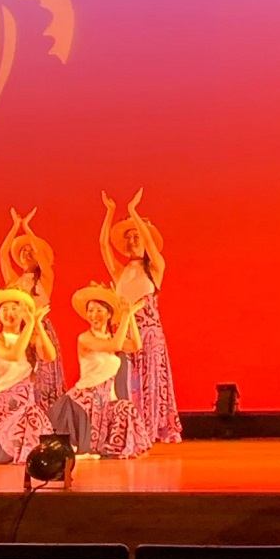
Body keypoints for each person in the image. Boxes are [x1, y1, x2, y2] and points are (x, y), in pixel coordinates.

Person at [99, 188, 182, 443]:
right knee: (125, 382)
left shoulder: (155, 268)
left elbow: (149, 242)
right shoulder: (120, 271)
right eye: (129, 237)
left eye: (137, 236)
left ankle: (149, 428)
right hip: (124, 334)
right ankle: (129, 429)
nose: (133, 240)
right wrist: (110, 213)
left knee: (149, 382)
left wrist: (133, 213)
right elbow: (103, 245)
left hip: (148, 334)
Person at [49, 284, 151, 458]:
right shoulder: (85, 338)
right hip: (85, 400)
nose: (93, 315)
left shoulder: (112, 337)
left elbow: (135, 345)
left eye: (99, 310)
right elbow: (115, 346)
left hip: (106, 400)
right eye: (90, 310)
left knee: (126, 408)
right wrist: (125, 316)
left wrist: (131, 315)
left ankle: (114, 446)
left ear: (109, 314)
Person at [0, 287, 55, 464]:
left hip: (25, 403)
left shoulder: (31, 338)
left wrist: (38, 324)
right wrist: (29, 326)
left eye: (15, 308)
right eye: (5, 309)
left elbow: (50, 356)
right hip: (0, 405)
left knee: (33, 415)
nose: (10, 313)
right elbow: (14, 354)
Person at [0, 208, 65, 410]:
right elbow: (2, 254)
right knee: (23, 374)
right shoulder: (14, 281)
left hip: (39, 329)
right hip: (19, 332)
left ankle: (46, 414)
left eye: (31, 250)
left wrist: (28, 229)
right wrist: (15, 227)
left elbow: (42, 258)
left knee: (44, 373)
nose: (27, 253)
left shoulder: (45, 279)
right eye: (23, 250)